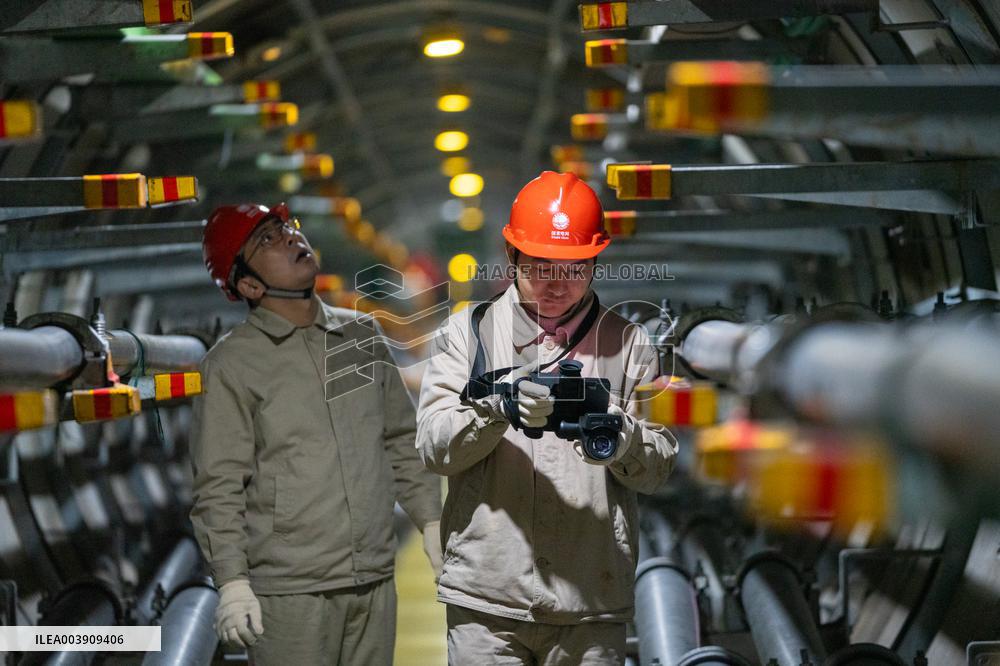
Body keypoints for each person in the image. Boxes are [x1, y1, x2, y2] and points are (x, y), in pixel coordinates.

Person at [416, 171, 678, 664]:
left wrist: (623, 437)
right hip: (489, 600)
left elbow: (659, 466)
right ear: (512, 256)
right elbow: (433, 446)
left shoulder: (629, 345)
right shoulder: (466, 336)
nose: (558, 284)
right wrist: (497, 406)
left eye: (574, 267)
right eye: (541, 266)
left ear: (596, 262)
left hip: (591, 598)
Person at [191, 202, 442, 665]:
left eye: (286, 228)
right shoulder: (234, 364)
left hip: (372, 581)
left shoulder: (359, 337)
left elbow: (400, 439)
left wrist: (431, 520)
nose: (289, 238)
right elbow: (219, 484)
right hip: (290, 594)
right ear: (247, 283)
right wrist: (232, 582)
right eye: (266, 239)